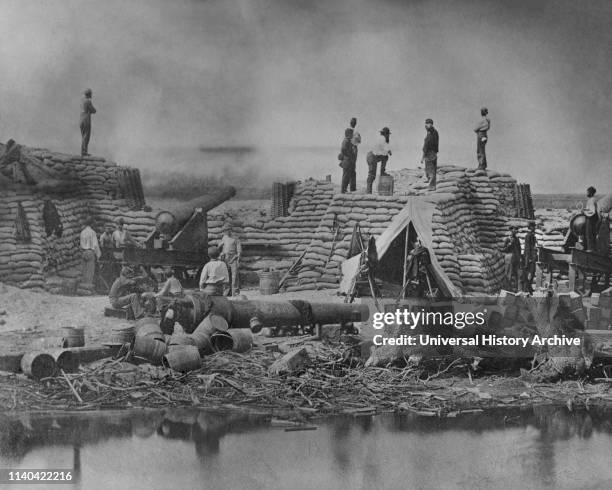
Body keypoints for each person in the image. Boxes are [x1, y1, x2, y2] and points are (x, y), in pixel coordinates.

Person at [365, 127, 392, 194]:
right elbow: (385, 150)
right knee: (371, 175)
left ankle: (382, 172)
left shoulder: (380, 138)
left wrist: (387, 151)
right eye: (388, 134)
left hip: (372, 156)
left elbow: (382, 150)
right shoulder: (383, 139)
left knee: (371, 175)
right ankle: (368, 192)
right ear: (385, 134)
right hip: (372, 156)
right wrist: (389, 151)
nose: (388, 136)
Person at [219, 225, 242, 296]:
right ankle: (227, 292)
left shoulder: (235, 238)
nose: (226, 232)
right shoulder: (224, 237)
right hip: (225, 258)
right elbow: (220, 247)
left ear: (230, 230)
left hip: (233, 258)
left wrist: (238, 258)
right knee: (226, 276)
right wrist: (220, 248)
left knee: (234, 276)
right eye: (225, 231)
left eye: (227, 230)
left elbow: (239, 249)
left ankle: (235, 292)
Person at [79, 216, 101, 286]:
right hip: (90, 252)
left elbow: (80, 244)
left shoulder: (82, 232)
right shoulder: (92, 232)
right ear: (91, 224)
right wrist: (98, 255)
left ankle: (83, 286)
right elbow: (95, 245)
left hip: (83, 252)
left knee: (84, 270)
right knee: (90, 271)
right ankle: (88, 286)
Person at [502, 226, 521, 291]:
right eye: (514, 229)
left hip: (516, 258)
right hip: (509, 257)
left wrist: (519, 257)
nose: (515, 231)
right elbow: (503, 249)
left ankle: (515, 289)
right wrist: (509, 245)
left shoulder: (517, 239)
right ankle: (507, 289)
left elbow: (519, 249)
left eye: (516, 229)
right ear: (511, 230)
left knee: (516, 274)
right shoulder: (507, 239)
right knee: (508, 274)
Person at [421, 118, 439, 190]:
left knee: (430, 170)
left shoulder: (431, 132)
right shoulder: (434, 132)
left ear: (430, 124)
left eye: (427, 124)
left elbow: (427, 145)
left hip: (429, 154)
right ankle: (432, 186)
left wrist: (423, 156)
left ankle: (431, 187)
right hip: (433, 153)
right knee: (432, 170)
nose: (425, 125)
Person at [338, 128, 357, 193]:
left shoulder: (348, 141)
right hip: (347, 161)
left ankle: (344, 189)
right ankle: (343, 190)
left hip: (348, 161)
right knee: (346, 176)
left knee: (347, 175)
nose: (353, 135)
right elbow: (343, 149)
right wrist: (349, 155)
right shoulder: (346, 140)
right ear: (349, 134)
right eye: (352, 134)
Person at [521, 221, 538, 294]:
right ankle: (527, 289)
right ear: (531, 227)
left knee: (532, 273)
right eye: (534, 226)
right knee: (529, 273)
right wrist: (528, 259)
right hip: (529, 258)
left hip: (532, 257)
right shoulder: (528, 236)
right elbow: (527, 248)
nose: (535, 228)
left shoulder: (532, 235)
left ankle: (529, 288)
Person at [80, 88, 97, 156]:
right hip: (86, 119)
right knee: (86, 136)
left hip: (81, 119)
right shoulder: (88, 101)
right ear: (89, 94)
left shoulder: (82, 101)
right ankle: (84, 152)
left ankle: (83, 151)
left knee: (83, 135)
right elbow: (93, 110)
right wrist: (92, 110)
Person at [584, 186, 598, 252]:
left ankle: (591, 250)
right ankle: (591, 249)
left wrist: (585, 212)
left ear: (590, 192)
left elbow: (593, 211)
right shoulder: (592, 199)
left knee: (590, 234)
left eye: (587, 192)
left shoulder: (592, 200)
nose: (586, 193)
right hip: (591, 219)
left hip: (591, 219)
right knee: (591, 234)